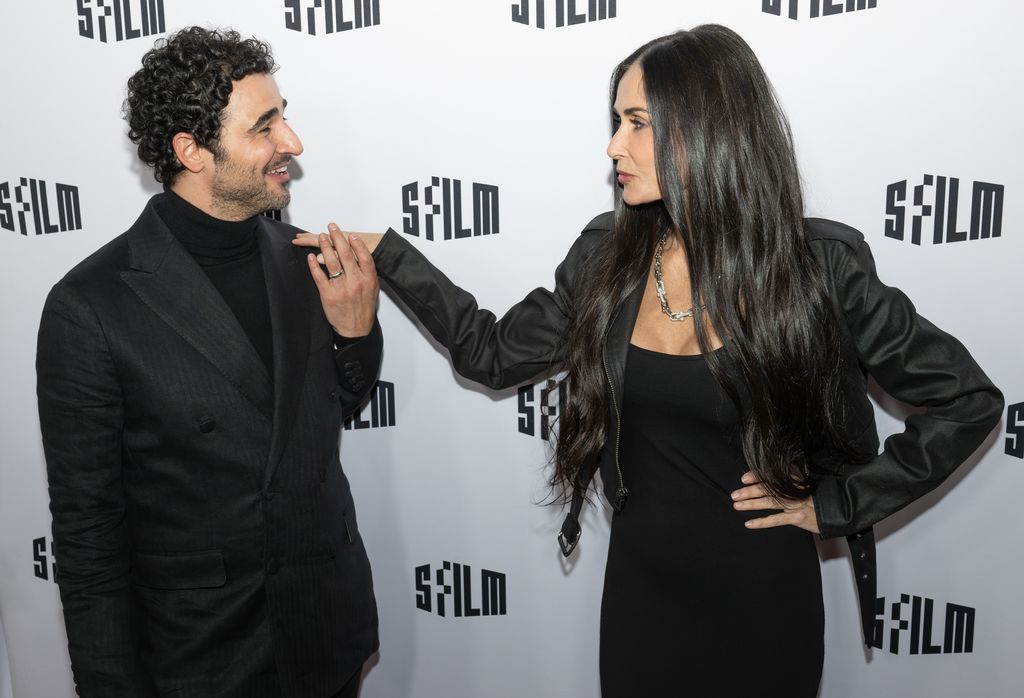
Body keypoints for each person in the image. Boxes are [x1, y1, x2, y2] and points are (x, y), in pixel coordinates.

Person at [300, 24, 1003, 697]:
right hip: (642, 596)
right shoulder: (609, 258)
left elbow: (967, 400)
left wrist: (840, 502)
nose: (613, 145)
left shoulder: (819, 269)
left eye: (637, 122)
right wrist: (390, 254)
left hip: (763, 600)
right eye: (617, 121)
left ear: (704, 127)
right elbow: (490, 353)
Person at [37, 27, 381, 698]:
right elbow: (88, 539)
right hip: (205, 659)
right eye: (266, 126)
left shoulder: (302, 258)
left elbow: (341, 402)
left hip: (325, 632)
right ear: (192, 151)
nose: (294, 143)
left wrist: (355, 334)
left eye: (285, 114)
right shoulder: (92, 305)